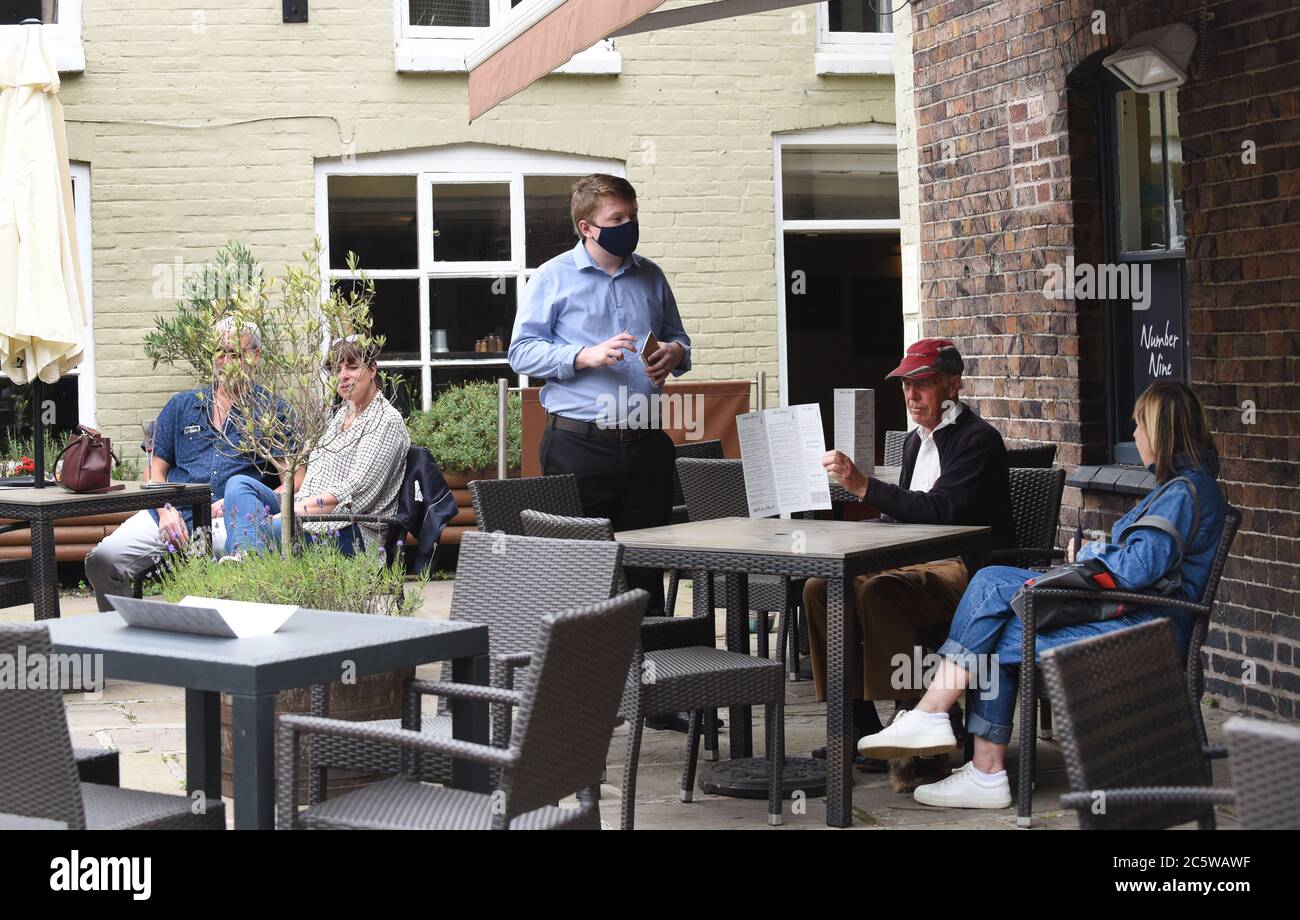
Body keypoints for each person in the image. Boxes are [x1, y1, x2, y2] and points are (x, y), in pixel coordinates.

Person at [858, 380, 1228, 809]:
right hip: (1139, 619)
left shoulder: (1184, 493)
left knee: (990, 602)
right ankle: (962, 745)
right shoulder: (1186, 488)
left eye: (1139, 427)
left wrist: (1091, 551)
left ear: (1161, 431)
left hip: (1147, 633)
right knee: (991, 602)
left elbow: (1137, 568)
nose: (1135, 438)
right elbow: (1146, 561)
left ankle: (971, 755)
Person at [802, 338, 1014, 773]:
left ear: (953, 385)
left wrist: (863, 486)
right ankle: (855, 727)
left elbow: (941, 511)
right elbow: (900, 519)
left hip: (966, 574)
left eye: (924, 384)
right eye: (905, 386)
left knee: (880, 592)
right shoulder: (914, 442)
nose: (912, 396)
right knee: (819, 587)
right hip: (914, 562)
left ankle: (910, 725)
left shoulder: (979, 440)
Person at [508, 174, 691, 618]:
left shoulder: (651, 275)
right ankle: (587, 676)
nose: (628, 225)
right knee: (582, 572)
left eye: (633, 217)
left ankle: (650, 674)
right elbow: (520, 353)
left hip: (647, 443)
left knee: (647, 571)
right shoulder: (552, 277)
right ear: (587, 227)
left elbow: (678, 339)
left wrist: (675, 353)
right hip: (578, 446)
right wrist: (583, 355)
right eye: (617, 218)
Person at [84, 318, 285, 610]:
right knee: (103, 561)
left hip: (231, 523)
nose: (225, 361)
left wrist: (241, 504)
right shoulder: (183, 405)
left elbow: (293, 483)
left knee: (224, 583)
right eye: (219, 351)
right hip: (171, 516)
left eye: (234, 353)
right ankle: (125, 642)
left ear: (254, 357)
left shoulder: (272, 411)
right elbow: (155, 469)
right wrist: (165, 510)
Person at [222, 337, 409, 558]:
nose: (343, 376)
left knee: (259, 532)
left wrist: (291, 513)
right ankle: (247, 560)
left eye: (352, 367)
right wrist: (292, 509)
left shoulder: (385, 420)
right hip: (309, 513)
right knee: (239, 485)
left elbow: (355, 491)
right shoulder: (343, 414)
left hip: (350, 532)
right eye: (336, 370)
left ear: (372, 370)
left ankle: (245, 565)